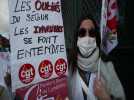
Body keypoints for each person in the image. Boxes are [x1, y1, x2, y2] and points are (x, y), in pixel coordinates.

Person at [67, 15, 126, 100]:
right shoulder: (66, 68)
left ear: (96, 38)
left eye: (91, 33)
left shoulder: (107, 67)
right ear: (77, 38)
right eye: (82, 33)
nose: (87, 37)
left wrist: (106, 98)